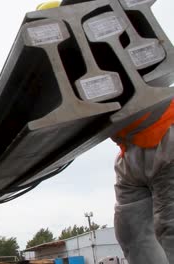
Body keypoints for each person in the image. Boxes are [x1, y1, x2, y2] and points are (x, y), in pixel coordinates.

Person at [35, 1, 174, 263]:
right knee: (131, 233)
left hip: (166, 136)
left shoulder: (113, 42)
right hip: (130, 151)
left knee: (170, 228)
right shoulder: (72, 68)